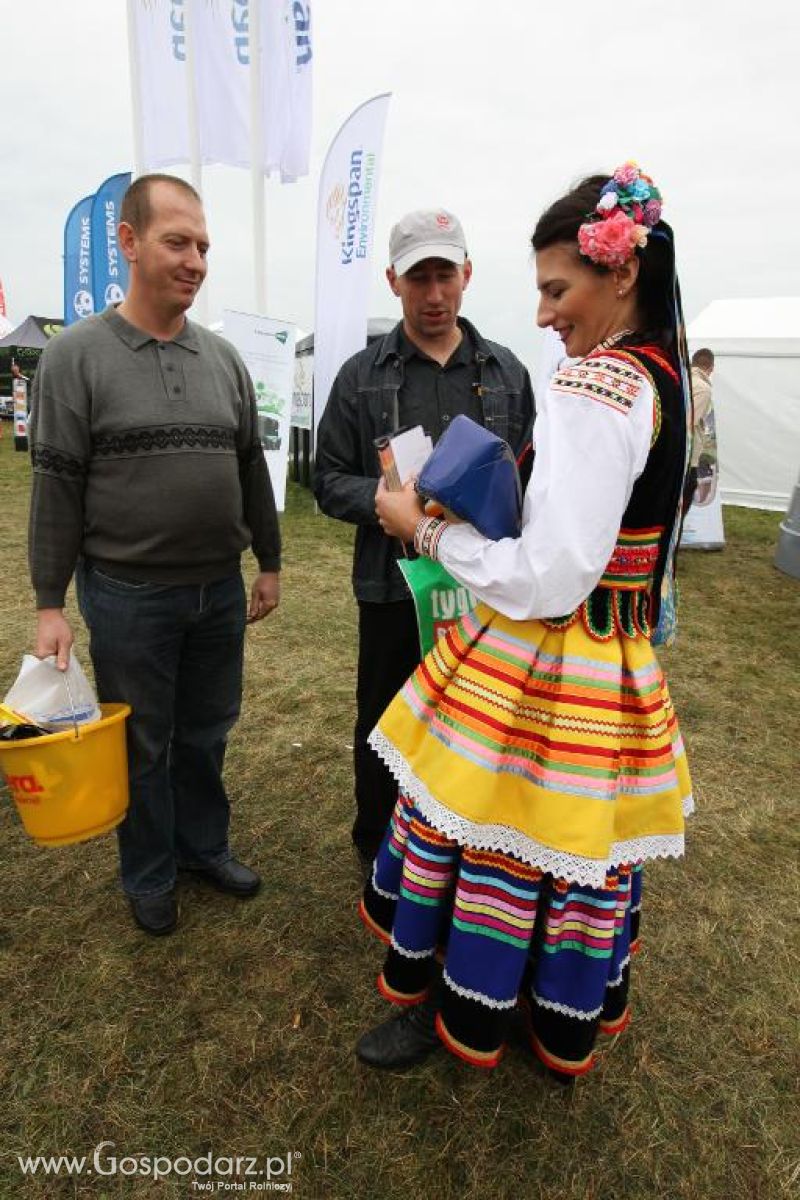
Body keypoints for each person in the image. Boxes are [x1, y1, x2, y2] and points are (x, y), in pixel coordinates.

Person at [357, 162, 693, 1079]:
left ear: (619, 272)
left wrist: (423, 525)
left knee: (476, 829)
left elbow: (548, 575)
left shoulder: (601, 387)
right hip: (613, 654)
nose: (543, 313)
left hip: (550, 651)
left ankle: (451, 1008)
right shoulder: (665, 374)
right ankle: (546, 1010)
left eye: (557, 288)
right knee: (570, 849)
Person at [28, 174, 281, 936]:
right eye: (178, 241)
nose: (196, 260)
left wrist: (267, 561)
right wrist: (49, 603)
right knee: (144, 741)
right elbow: (57, 486)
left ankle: (203, 847)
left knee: (208, 732)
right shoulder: (75, 358)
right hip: (129, 595)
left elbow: (248, 467)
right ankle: (148, 871)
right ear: (129, 243)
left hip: (219, 590)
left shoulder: (225, 360)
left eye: (203, 245)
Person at [313, 209, 534, 870]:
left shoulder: (507, 372)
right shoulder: (362, 375)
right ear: (393, 281)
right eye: (418, 279)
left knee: (478, 721)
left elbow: (531, 473)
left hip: (483, 590)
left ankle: (466, 844)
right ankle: (378, 848)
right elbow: (326, 478)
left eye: (445, 275)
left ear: (467, 275)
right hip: (393, 586)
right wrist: (382, 502)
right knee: (386, 721)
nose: (434, 294)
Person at [683, 347, 714, 512]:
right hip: (687, 453)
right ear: (711, 368)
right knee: (686, 495)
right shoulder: (703, 388)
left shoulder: (682, 378)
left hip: (673, 449)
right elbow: (689, 422)